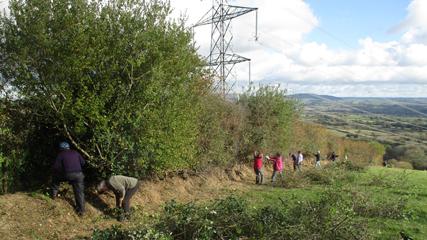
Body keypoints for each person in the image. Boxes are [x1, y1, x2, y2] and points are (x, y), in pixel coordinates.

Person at [51, 141, 86, 216]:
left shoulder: (61, 154)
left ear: (60, 149)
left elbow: (56, 167)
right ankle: (81, 211)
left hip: (68, 174)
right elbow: (83, 163)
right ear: (68, 147)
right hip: (79, 175)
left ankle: (54, 194)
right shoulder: (76, 152)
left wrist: (63, 170)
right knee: (79, 193)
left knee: (55, 177)